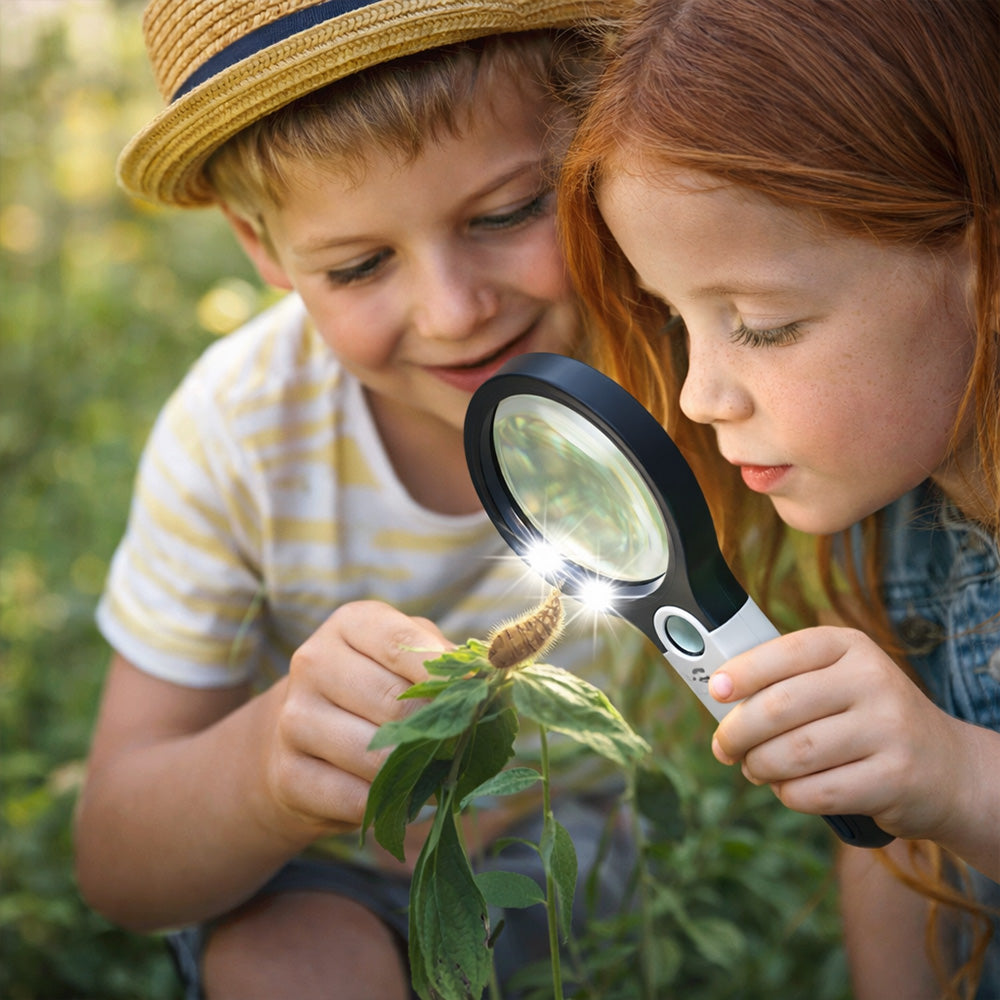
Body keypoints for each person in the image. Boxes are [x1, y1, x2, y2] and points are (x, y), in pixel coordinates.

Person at [73, 2, 646, 998]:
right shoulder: (243, 432)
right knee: (289, 959)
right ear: (260, 246)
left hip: (587, 835)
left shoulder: (684, 349)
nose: (454, 311)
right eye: (358, 265)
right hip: (327, 871)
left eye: (507, 212)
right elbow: (117, 860)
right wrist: (271, 770)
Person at [557, 0, 1000, 997]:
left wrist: (959, 777)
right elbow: (898, 848)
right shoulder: (897, 516)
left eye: (759, 324)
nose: (698, 395)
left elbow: (932, 790)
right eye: (675, 320)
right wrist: (905, 775)